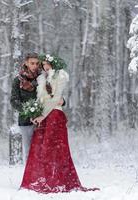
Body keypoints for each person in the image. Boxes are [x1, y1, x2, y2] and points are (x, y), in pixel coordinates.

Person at [20, 54, 99, 193]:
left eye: (47, 64)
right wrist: (35, 115)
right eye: (43, 64)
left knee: (55, 149)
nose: (45, 66)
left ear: (53, 64)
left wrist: (41, 116)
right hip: (44, 117)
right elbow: (40, 99)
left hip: (55, 115)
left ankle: (58, 180)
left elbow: (56, 99)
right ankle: (43, 179)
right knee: (40, 149)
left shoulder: (60, 76)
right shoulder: (41, 78)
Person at [10, 53, 65, 163]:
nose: (35, 66)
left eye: (37, 63)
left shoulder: (44, 77)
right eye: (32, 63)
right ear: (26, 63)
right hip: (26, 121)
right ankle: (31, 178)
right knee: (30, 152)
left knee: (45, 152)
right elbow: (14, 101)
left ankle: (44, 178)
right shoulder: (18, 80)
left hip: (45, 120)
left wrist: (62, 101)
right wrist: (29, 111)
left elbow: (54, 94)